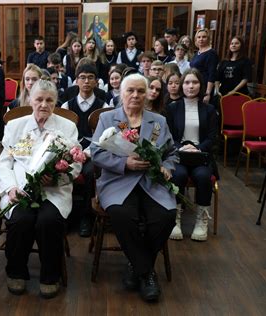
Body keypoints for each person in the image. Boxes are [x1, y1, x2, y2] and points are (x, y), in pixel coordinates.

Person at [90, 73, 177, 302]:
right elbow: (96, 152)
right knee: (121, 214)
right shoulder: (109, 119)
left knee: (167, 214)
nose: (136, 95)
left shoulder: (159, 121)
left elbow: (172, 153)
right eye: (130, 90)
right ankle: (147, 273)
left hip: (151, 181)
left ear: (147, 94)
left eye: (141, 91)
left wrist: (167, 166)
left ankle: (135, 265)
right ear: (121, 92)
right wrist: (123, 163)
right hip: (118, 181)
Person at [0, 79, 81, 298]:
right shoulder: (16, 125)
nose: (44, 104)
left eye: (49, 100)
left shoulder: (67, 126)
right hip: (20, 187)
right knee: (21, 220)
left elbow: (76, 162)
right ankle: (16, 272)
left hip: (53, 189)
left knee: (48, 221)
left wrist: (56, 177)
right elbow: (5, 162)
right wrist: (10, 188)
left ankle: (49, 276)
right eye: (39, 99)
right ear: (30, 100)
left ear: (55, 102)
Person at [165, 68, 218, 242]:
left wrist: (198, 148)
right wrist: (182, 147)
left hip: (201, 155)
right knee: (178, 175)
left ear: (201, 85)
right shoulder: (173, 108)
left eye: (195, 82)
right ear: (182, 85)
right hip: (178, 154)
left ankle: (201, 221)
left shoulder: (209, 110)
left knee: (203, 177)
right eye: (187, 82)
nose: (190, 86)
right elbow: (169, 136)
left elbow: (212, 137)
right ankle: (175, 220)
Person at [62, 63, 110, 237]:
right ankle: (65, 214)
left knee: (90, 173)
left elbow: (105, 137)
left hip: (93, 152)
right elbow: (63, 134)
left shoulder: (103, 105)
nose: (86, 81)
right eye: (82, 77)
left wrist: (87, 153)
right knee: (61, 169)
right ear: (76, 81)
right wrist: (74, 152)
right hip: (71, 152)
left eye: (90, 77)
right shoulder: (68, 105)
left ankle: (86, 217)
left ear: (96, 82)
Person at [190, 28, 219, 104]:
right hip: (195, 84)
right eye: (199, 37)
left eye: (204, 37)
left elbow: (212, 74)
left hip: (204, 87)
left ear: (208, 38)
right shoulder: (197, 53)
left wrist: (208, 93)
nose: (201, 39)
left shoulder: (211, 53)